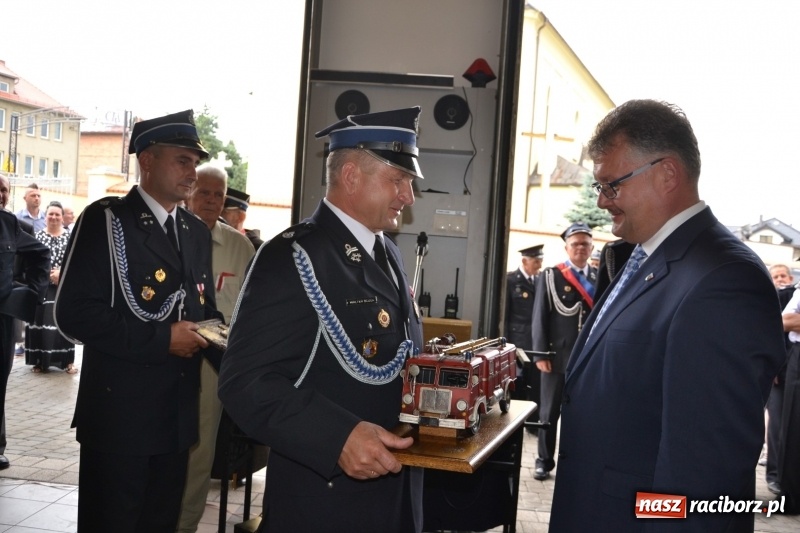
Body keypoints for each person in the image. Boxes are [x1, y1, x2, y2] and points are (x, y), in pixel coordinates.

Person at [549, 99, 785, 532]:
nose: (602, 201)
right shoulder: (642, 257)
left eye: (612, 185)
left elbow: (702, 478)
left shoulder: (723, 281)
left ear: (667, 174)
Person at [218, 107, 425, 532]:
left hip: (393, 492)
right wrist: (338, 437)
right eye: (398, 180)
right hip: (325, 500)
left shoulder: (387, 252)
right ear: (351, 176)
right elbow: (245, 382)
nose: (408, 196)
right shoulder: (293, 256)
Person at [54, 109, 222, 533]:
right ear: (148, 161)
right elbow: (73, 313)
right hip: (120, 417)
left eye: (195, 162)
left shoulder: (194, 230)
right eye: (182, 160)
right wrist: (161, 339)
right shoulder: (107, 221)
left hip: (176, 417)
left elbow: (205, 311)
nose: (193, 172)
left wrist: (237, 351)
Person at [177, 164, 255, 533]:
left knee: (200, 450)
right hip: (169, 357)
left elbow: (252, 308)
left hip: (215, 364)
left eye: (218, 195)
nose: (210, 200)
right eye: (204, 192)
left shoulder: (240, 247)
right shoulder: (170, 234)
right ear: (190, 191)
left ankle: (186, 525)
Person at [531, 222, 596, 481]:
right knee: (549, 414)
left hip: (587, 359)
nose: (580, 248)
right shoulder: (552, 275)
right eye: (575, 243)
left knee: (581, 414)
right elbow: (539, 318)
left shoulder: (599, 276)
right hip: (555, 358)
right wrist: (539, 355)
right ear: (567, 247)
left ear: (591, 247)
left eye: (585, 244)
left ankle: (574, 463)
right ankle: (543, 461)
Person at [0, 174, 50, 470]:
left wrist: (30, 293)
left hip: (2, 318)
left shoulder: (9, 224)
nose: (1, 194)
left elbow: (40, 255)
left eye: (4, 190)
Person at [25, 201, 76, 373]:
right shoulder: (37, 237)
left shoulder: (70, 238)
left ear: (62, 218)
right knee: (40, 324)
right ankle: (39, 361)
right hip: (42, 288)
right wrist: (47, 274)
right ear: (45, 217)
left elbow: (76, 262)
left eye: (57, 215)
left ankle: (67, 361)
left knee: (63, 324)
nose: (54, 217)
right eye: (50, 214)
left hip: (63, 288)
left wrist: (61, 275)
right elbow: (30, 262)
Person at [763, 264, 794, 495]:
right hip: (781, 370)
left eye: (784, 275)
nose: (781, 279)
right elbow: (776, 329)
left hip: (793, 365)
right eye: (776, 276)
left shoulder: (793, 294)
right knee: (777, 425)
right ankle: (774, 475)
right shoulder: (773, 300)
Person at [504, 244, 543, 414]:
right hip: (517, 342)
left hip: (536, 344)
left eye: (540, 261)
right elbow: (504, 316)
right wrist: (505, 344)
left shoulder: (540, 280)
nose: (539, 265)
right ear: (524, 261)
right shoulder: (511, 281)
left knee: (534, 385)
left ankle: (533, 424)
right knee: (517, 385)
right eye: (536, 261)